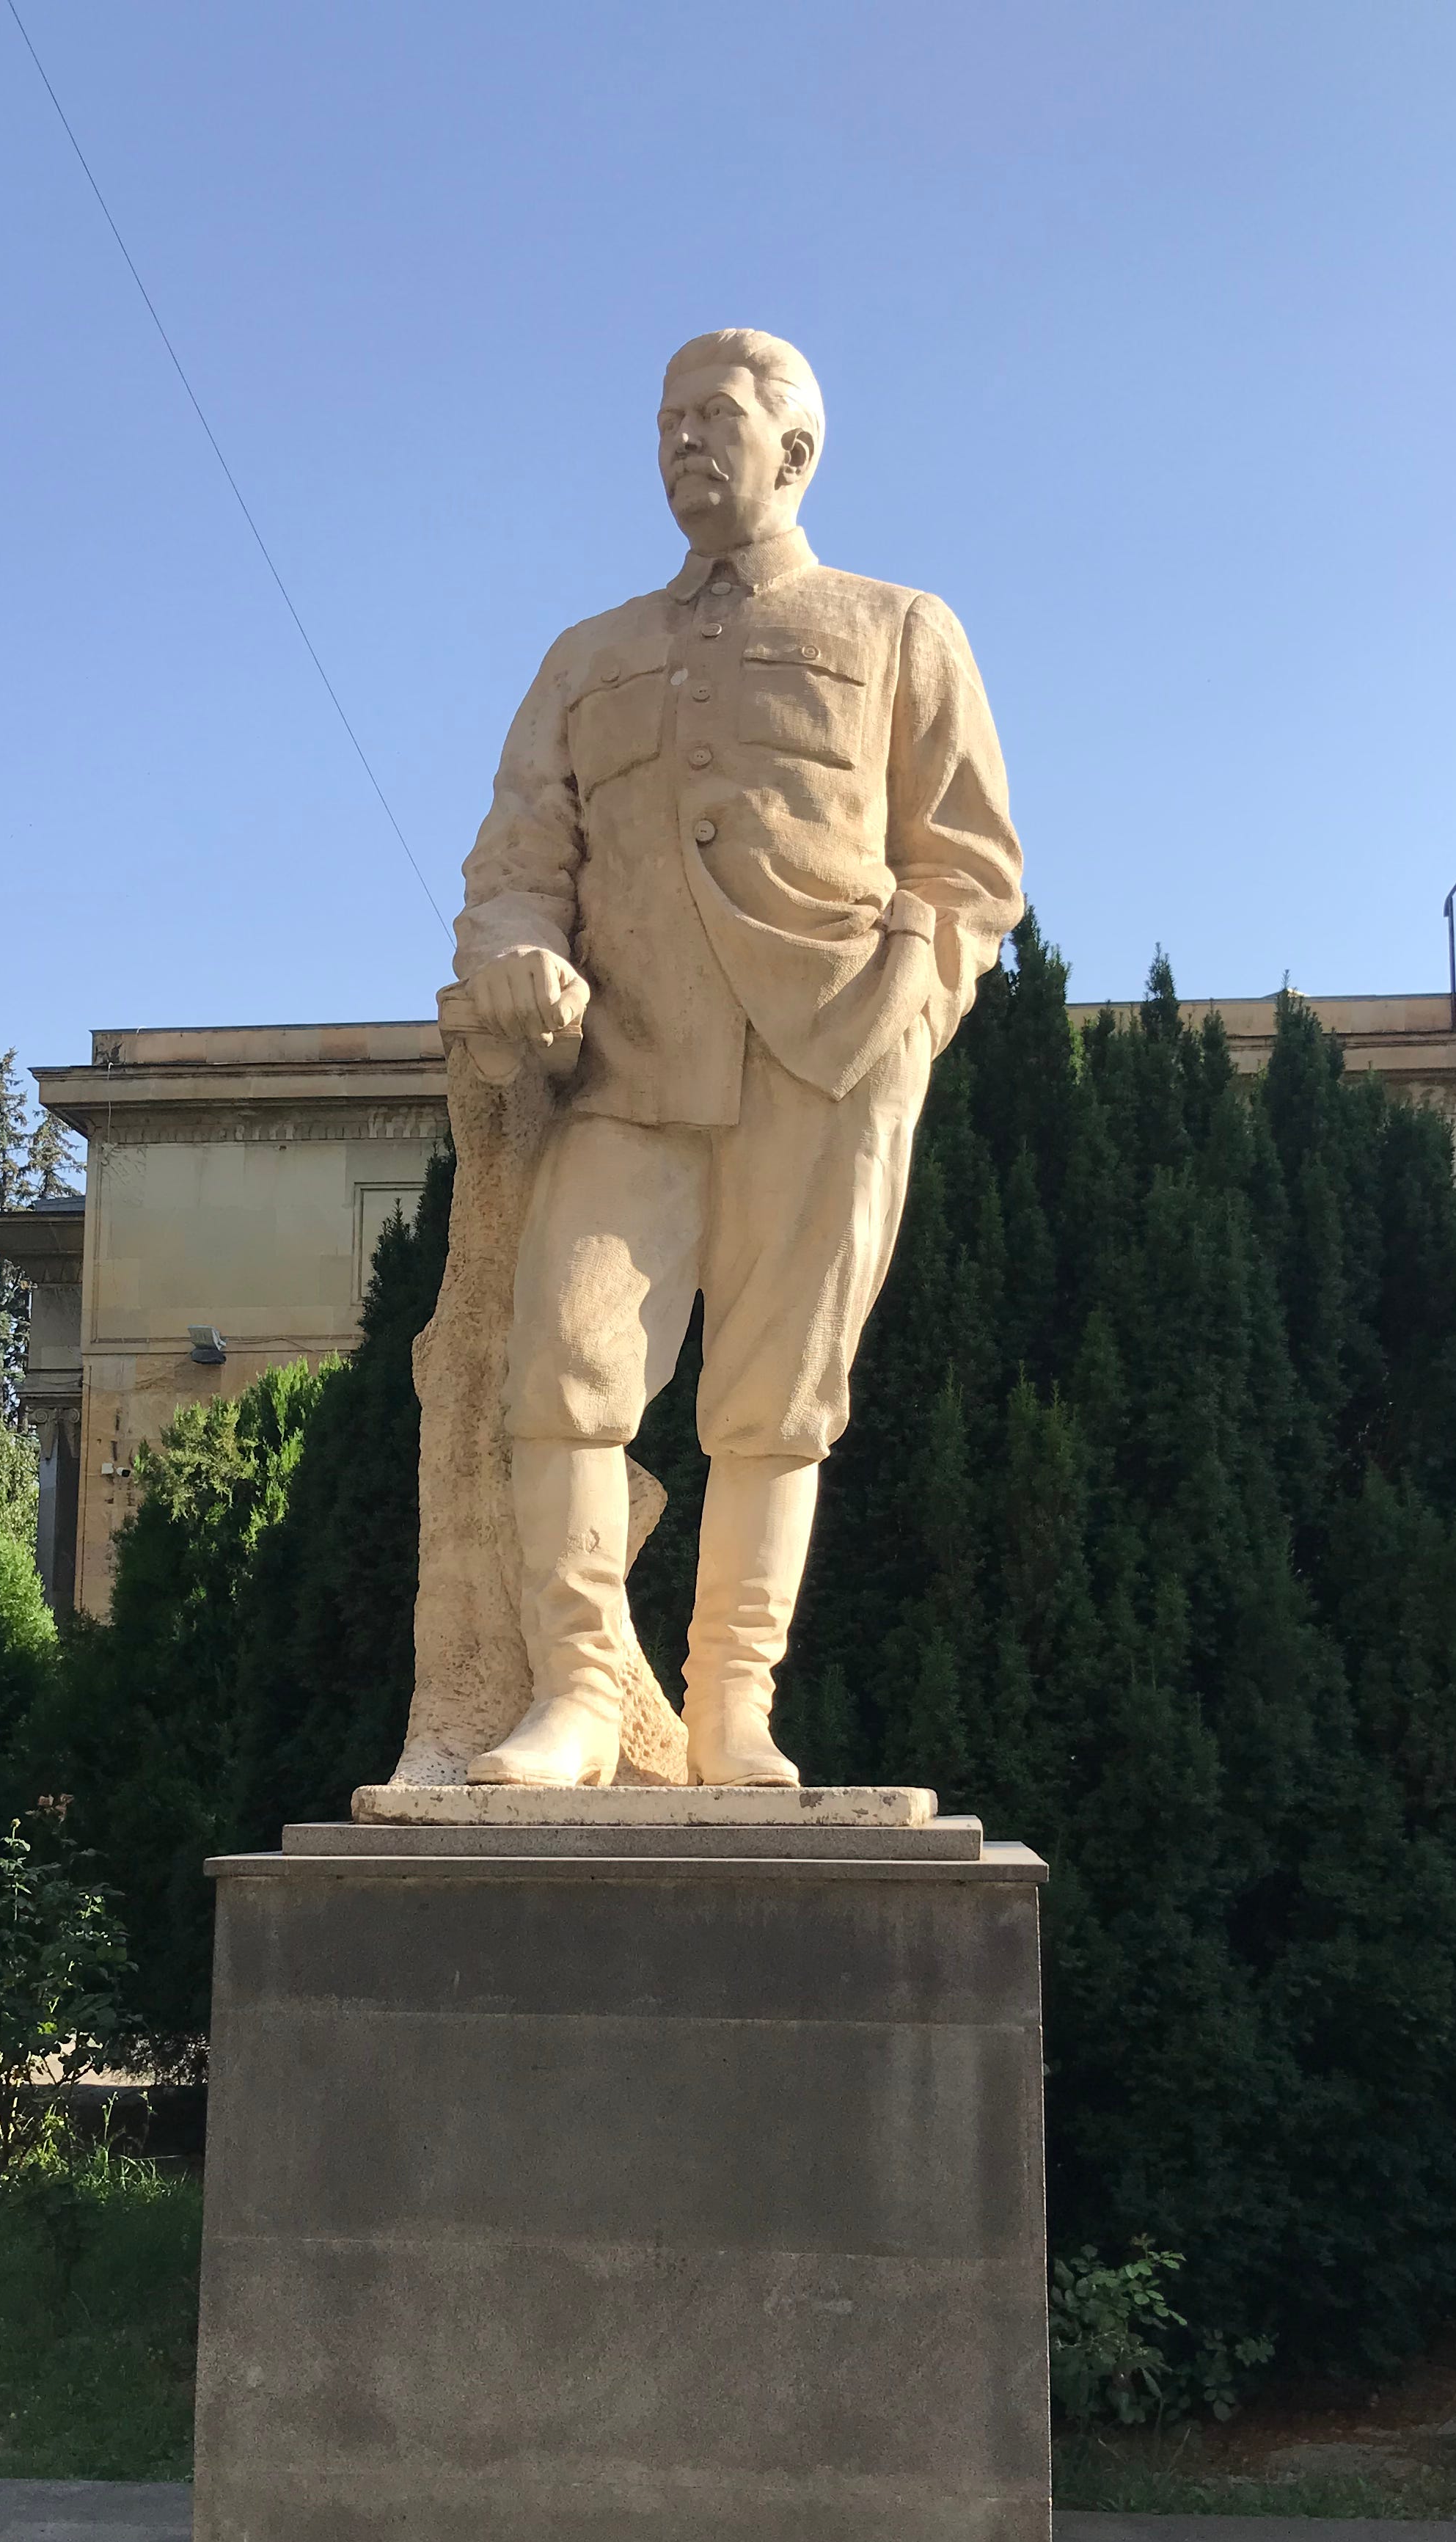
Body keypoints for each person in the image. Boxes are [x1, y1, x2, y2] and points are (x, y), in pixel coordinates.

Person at [452, 327, 1023, 1788]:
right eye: (667, 421)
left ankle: (731, 1709)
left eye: (714, 416)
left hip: (831, 1057)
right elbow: (516, 861)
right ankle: (580, 1699)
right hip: (628, 1066)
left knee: (779, 1401)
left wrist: (912, 1005)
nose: (683, 442)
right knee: (563, 1365)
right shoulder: (586, 659)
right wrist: (516, 949)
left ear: (797, 449)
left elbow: (970, 867)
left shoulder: (901, 630)